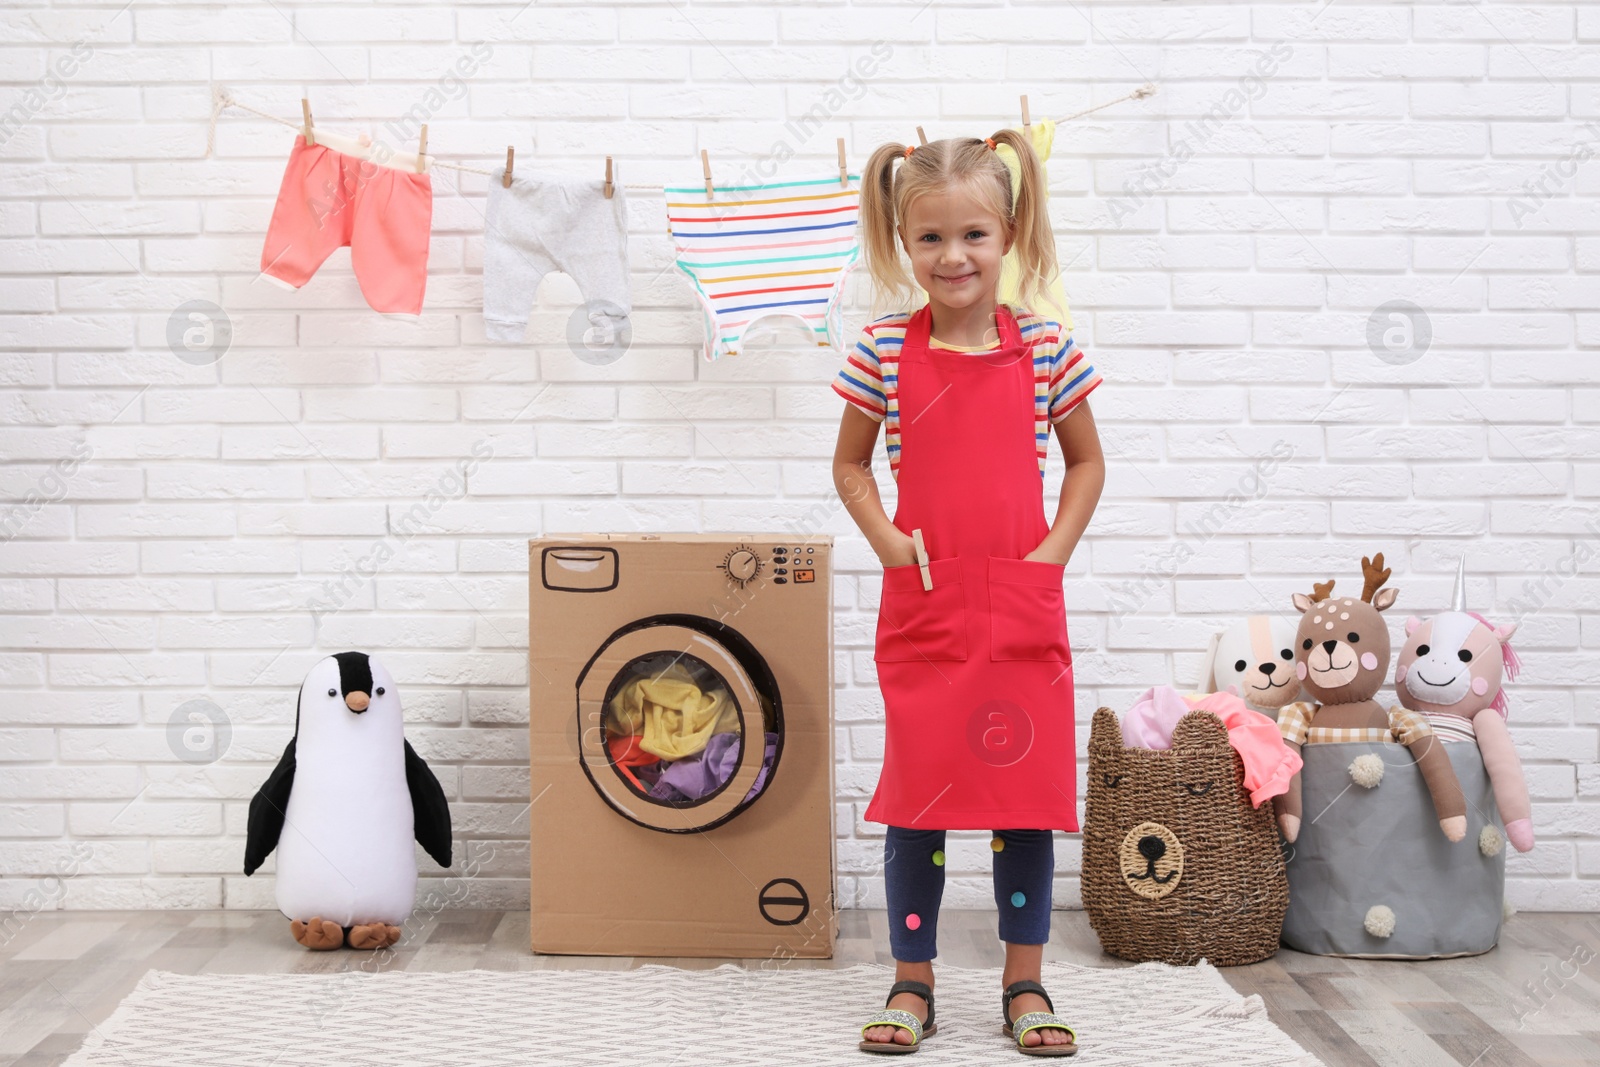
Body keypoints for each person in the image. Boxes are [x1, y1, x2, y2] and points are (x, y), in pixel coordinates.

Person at [831, 132, 1105, 1057]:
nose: (954, 257)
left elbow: (1087, 463)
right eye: (931, 239)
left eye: (975, 235)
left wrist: (1049, 556)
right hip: (928, 600)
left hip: (1022, 600)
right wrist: (890, 547)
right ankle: (912, 984)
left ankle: (1024, 981)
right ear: (902, 243)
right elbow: (850, 465)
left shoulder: (1049, 346)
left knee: (1023, 795)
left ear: (1011, 232)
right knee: (919, 797)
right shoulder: (879, 350)